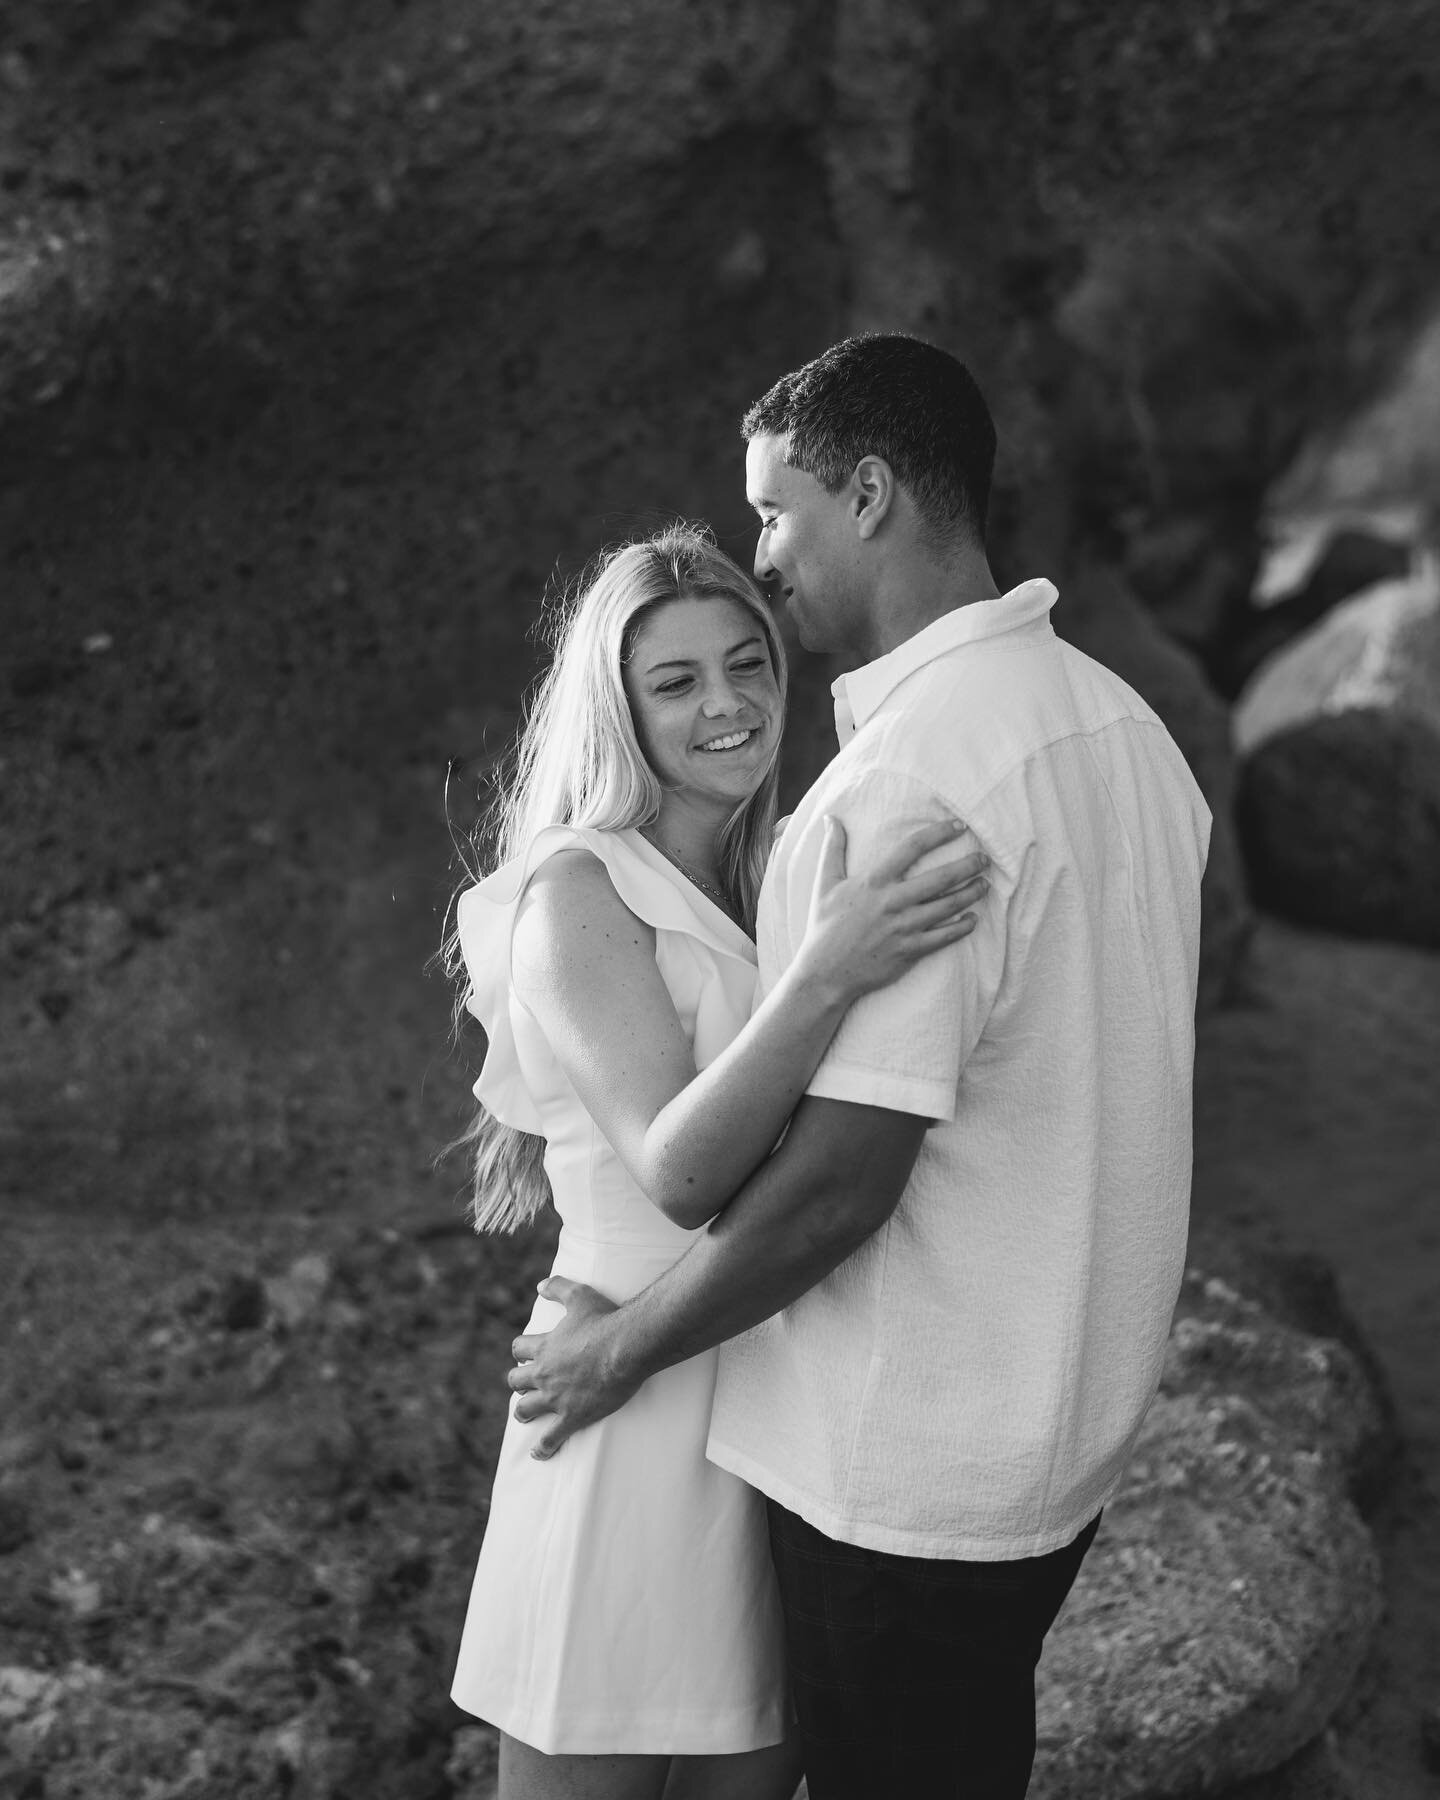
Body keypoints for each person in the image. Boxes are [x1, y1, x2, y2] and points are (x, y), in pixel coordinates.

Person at [508, 334, 1214, 1799]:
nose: (767, 556)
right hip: (1054, 1436)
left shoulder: (899, 783)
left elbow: (840, 1185)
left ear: (872, 493)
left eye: (776, 514)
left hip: (903, 1457)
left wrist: (621, 1352)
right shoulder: (1128, 731)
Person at [444, 521, 992, 1800]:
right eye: (676, 683)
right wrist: (834, 967)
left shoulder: (784, 871)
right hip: (622, 1399)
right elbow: (675, 1171)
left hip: (777, 1407)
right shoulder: (579, 891)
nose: (730, 703)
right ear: (617, 710)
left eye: (747, 663)